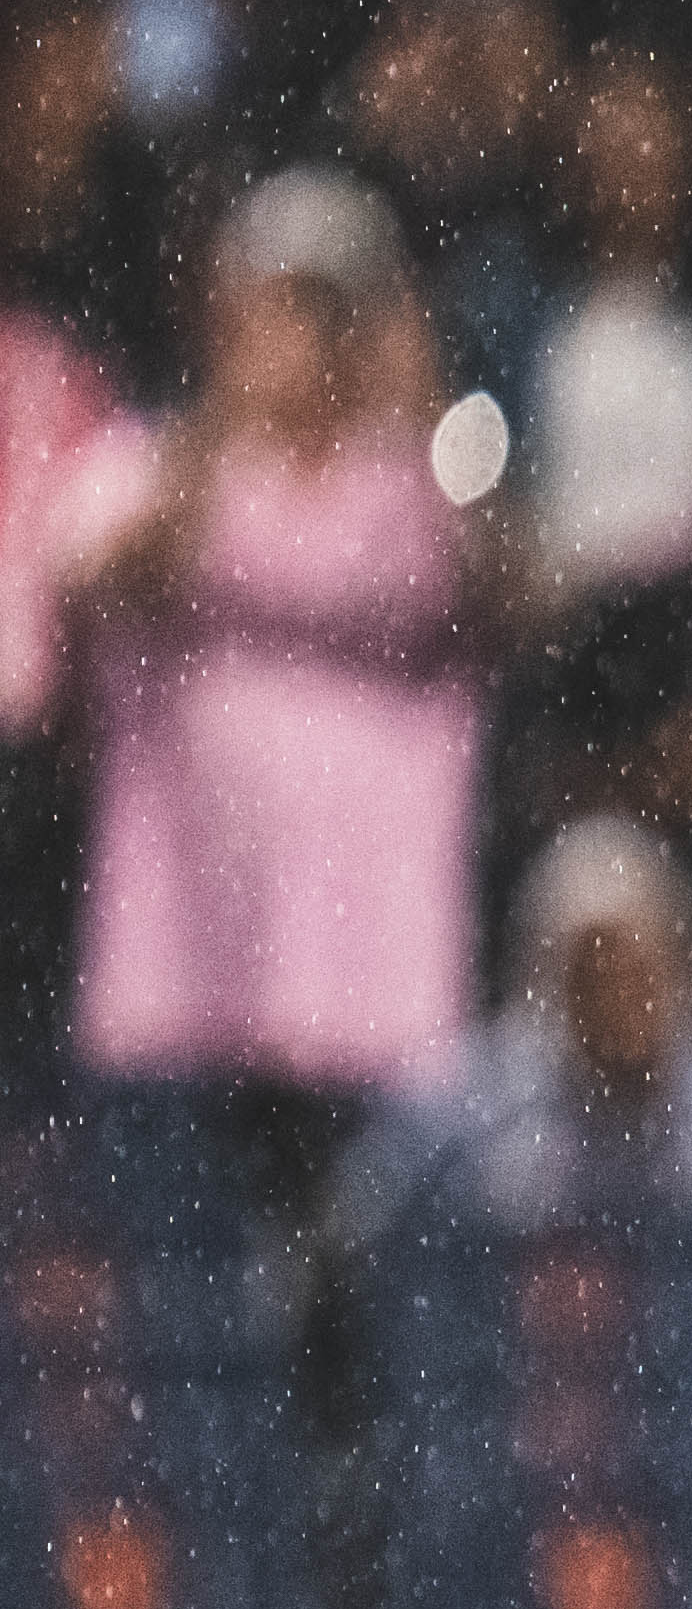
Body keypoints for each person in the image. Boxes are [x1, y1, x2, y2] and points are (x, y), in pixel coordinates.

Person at [46, 169, 496, 1199]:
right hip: (187, 972)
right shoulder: (150, 461)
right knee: (183, 1268)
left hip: (369, 982)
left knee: (367, 1270)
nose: (305, 338)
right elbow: (105, 578)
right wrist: (224, 416)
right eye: (280, 304)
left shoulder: (424, 483)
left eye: (331, 311)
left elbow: (512, 596)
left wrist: (427, 397)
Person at [335, 820, 692, 1500]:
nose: (617, 996)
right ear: (542, 973)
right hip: (502, 1493)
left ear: (683, 965)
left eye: (635, 966)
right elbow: (351, 1266)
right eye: (591, 968)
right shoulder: (457, 1119)